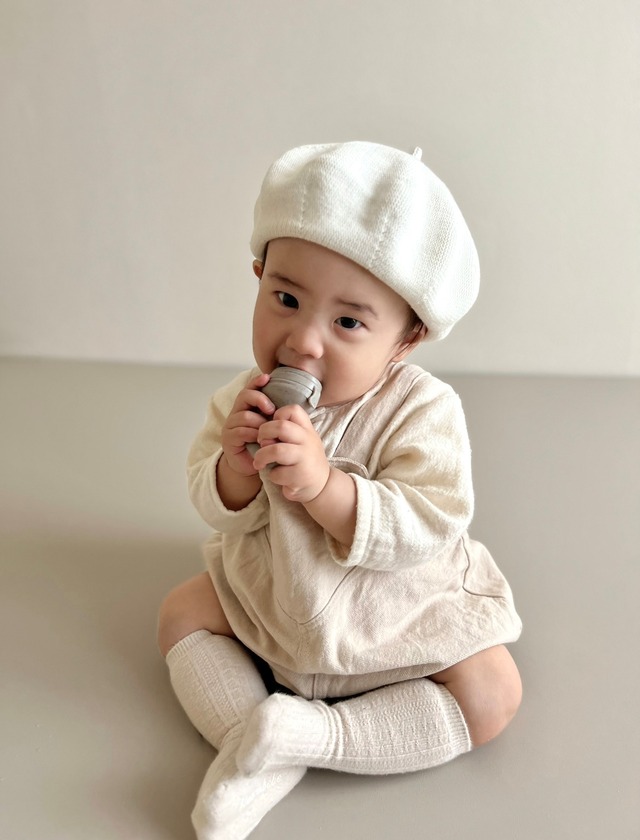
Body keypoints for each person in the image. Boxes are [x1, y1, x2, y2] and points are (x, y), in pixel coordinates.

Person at [157, 141, 523, 840]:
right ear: (258, 277)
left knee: (493, 692)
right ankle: (251, 744)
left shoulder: (423, 409)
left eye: (348, 322)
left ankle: (315, 736)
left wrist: (326, 488)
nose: (304, 341)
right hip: (275, 598)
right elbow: (211, 504)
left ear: (407, 339)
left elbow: (432, 518)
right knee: (181, 612)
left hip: (392, 616)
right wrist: (234, 471)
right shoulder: (243, 399)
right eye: (286, 299)